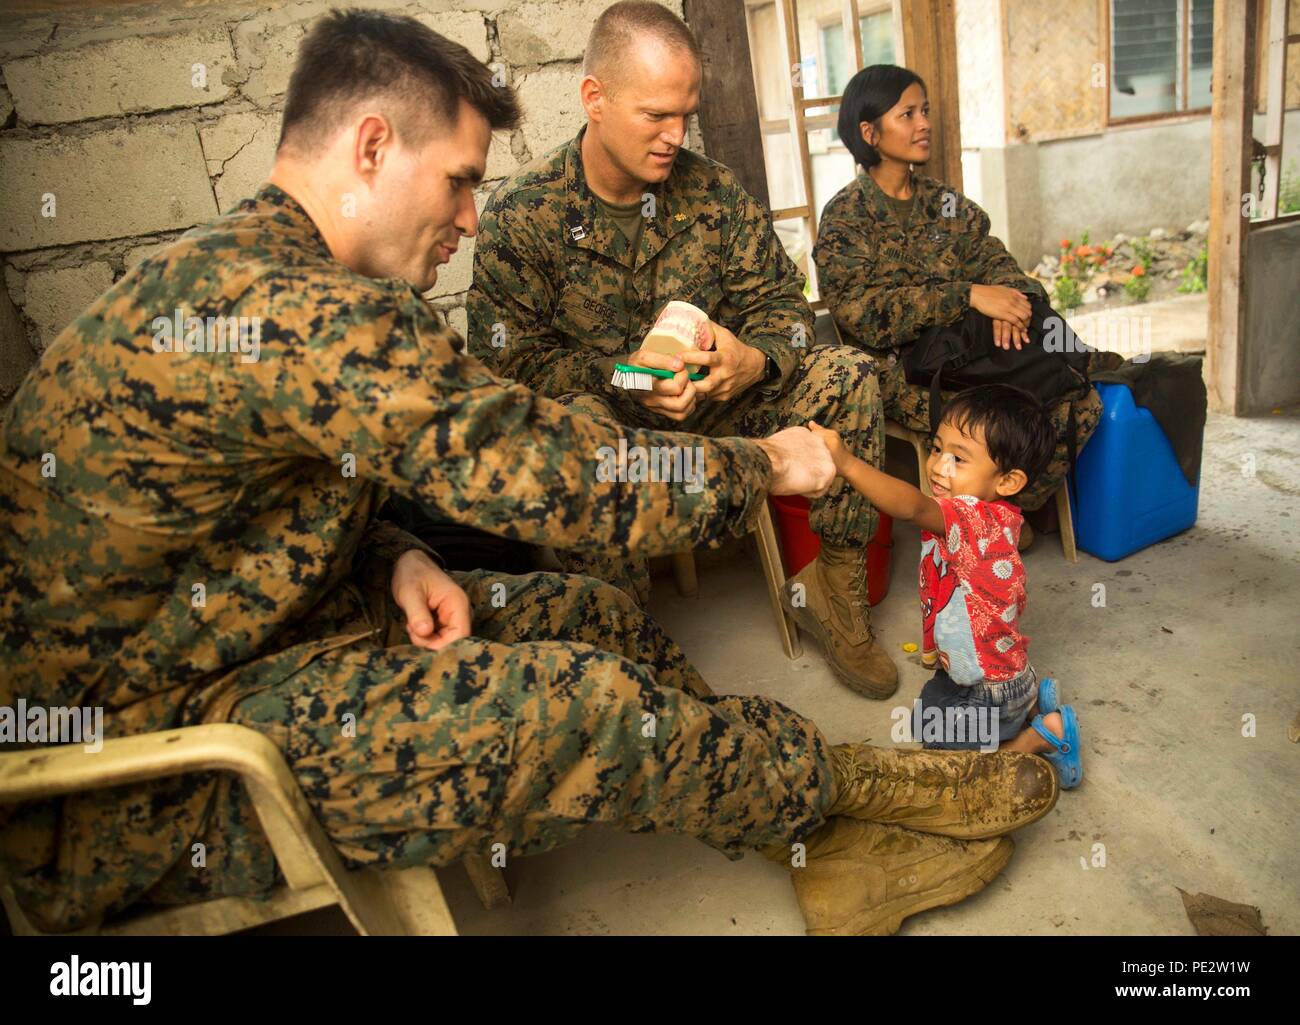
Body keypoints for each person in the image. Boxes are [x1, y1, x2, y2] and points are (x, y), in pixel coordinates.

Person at [0, 9, 1058, 939]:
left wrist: (398, 551)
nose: (467, 219)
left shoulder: (261, 272)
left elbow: (250, 503)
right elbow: (551, 469)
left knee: (594, 618)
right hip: (129, 771)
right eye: (458, 181)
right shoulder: (292, 308)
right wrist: (759, 462)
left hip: (233, 646)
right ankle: (847, 792)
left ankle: (803, 830)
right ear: (371, 146)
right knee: (582, 704)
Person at [467, 1, 899, 699]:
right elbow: (508, 371)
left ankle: (834, 593)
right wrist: (626, 377)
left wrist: (752, 361)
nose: (675, 136)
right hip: (617, 431)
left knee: (845, 373)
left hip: (720, 415)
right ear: (595, 99)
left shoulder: (712, 193)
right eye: (656, 116)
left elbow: (787, 310)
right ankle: (631, 660)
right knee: (582, 435)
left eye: (686, 116)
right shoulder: (524, 219)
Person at [813, 64, 1116, 548]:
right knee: (986, 420)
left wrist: (1012, 307)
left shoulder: (945, 203)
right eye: (907, 113)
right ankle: (986, 523)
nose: (923, 123)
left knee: (1078, 400)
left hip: (975, 349)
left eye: (926, 111)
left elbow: (995, 259)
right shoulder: (847, 216)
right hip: (907, 367)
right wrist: (968, 296)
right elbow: (860, 312)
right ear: (869, 132)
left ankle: (1011, 511)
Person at [809, 384, 1084, 788]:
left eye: (959, 458)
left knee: (950, 773)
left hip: (990, 690)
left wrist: (848, 464)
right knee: (928, 715)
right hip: (1001, 673)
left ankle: (1040, 737)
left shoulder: (970, 516)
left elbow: (914, 507)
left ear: (1008, 481)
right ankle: (1029, 704)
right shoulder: (998, 514)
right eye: (937, 449)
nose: (938, 466)